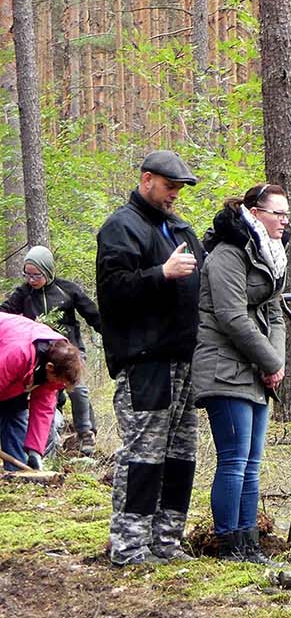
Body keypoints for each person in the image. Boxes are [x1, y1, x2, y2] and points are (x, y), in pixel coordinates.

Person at [96, 149, 205, 566]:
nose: (174, 194)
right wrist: (161, 273)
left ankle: (167, 543)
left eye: (179, 188)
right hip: (145, 362)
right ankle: (129, 547)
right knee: (142, 454)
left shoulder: (178, 228)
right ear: (146, 180)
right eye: (169, 187)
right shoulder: (121, 227)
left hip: (184, 360)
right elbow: (114, 292)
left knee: (180, 455)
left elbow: (208, 270)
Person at [193, 184, 289, 565]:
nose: (284, 221)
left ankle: (250, 544)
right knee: (233, 460)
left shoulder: (272, 256)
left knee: (252, 462)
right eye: (276, 213)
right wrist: (270, 362)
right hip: (223, 367)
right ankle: (228, 545)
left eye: (286, 214)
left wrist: (274, 364)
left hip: (255, 369)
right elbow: (231, 316)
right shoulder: (226, 254)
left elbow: (276, 313)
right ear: (254, 212)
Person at [0, 246, 103, 455]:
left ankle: (85, 433)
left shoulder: (67, 289)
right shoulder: (16, 354)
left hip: (68, 351)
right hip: (20, 353)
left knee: (20, 411)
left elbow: (44, 405)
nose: (31, 279)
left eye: (36, 274)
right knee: (12, 409)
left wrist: (34, 451)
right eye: (27, 274)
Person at [0, 314, 83, 470]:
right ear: (50, 368)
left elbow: (43, 409)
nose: (60, 386)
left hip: (15, 377)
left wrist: (35, 452)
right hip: (6, 356)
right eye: (60, 382)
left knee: (15, 413)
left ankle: (17, 477)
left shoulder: (57, 356)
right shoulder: (18, 353)